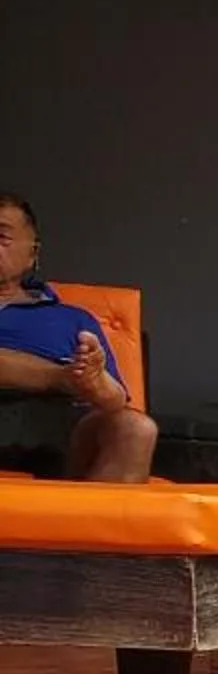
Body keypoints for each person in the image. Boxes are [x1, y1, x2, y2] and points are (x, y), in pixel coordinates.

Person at [0, 191, 156, 482]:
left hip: (61, 427)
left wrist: (94, 383)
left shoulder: (74, 318)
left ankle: (94, 527)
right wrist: (61, 376)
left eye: (1, 237)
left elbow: (115, 400)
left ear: (32, 253)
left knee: (135, 428)